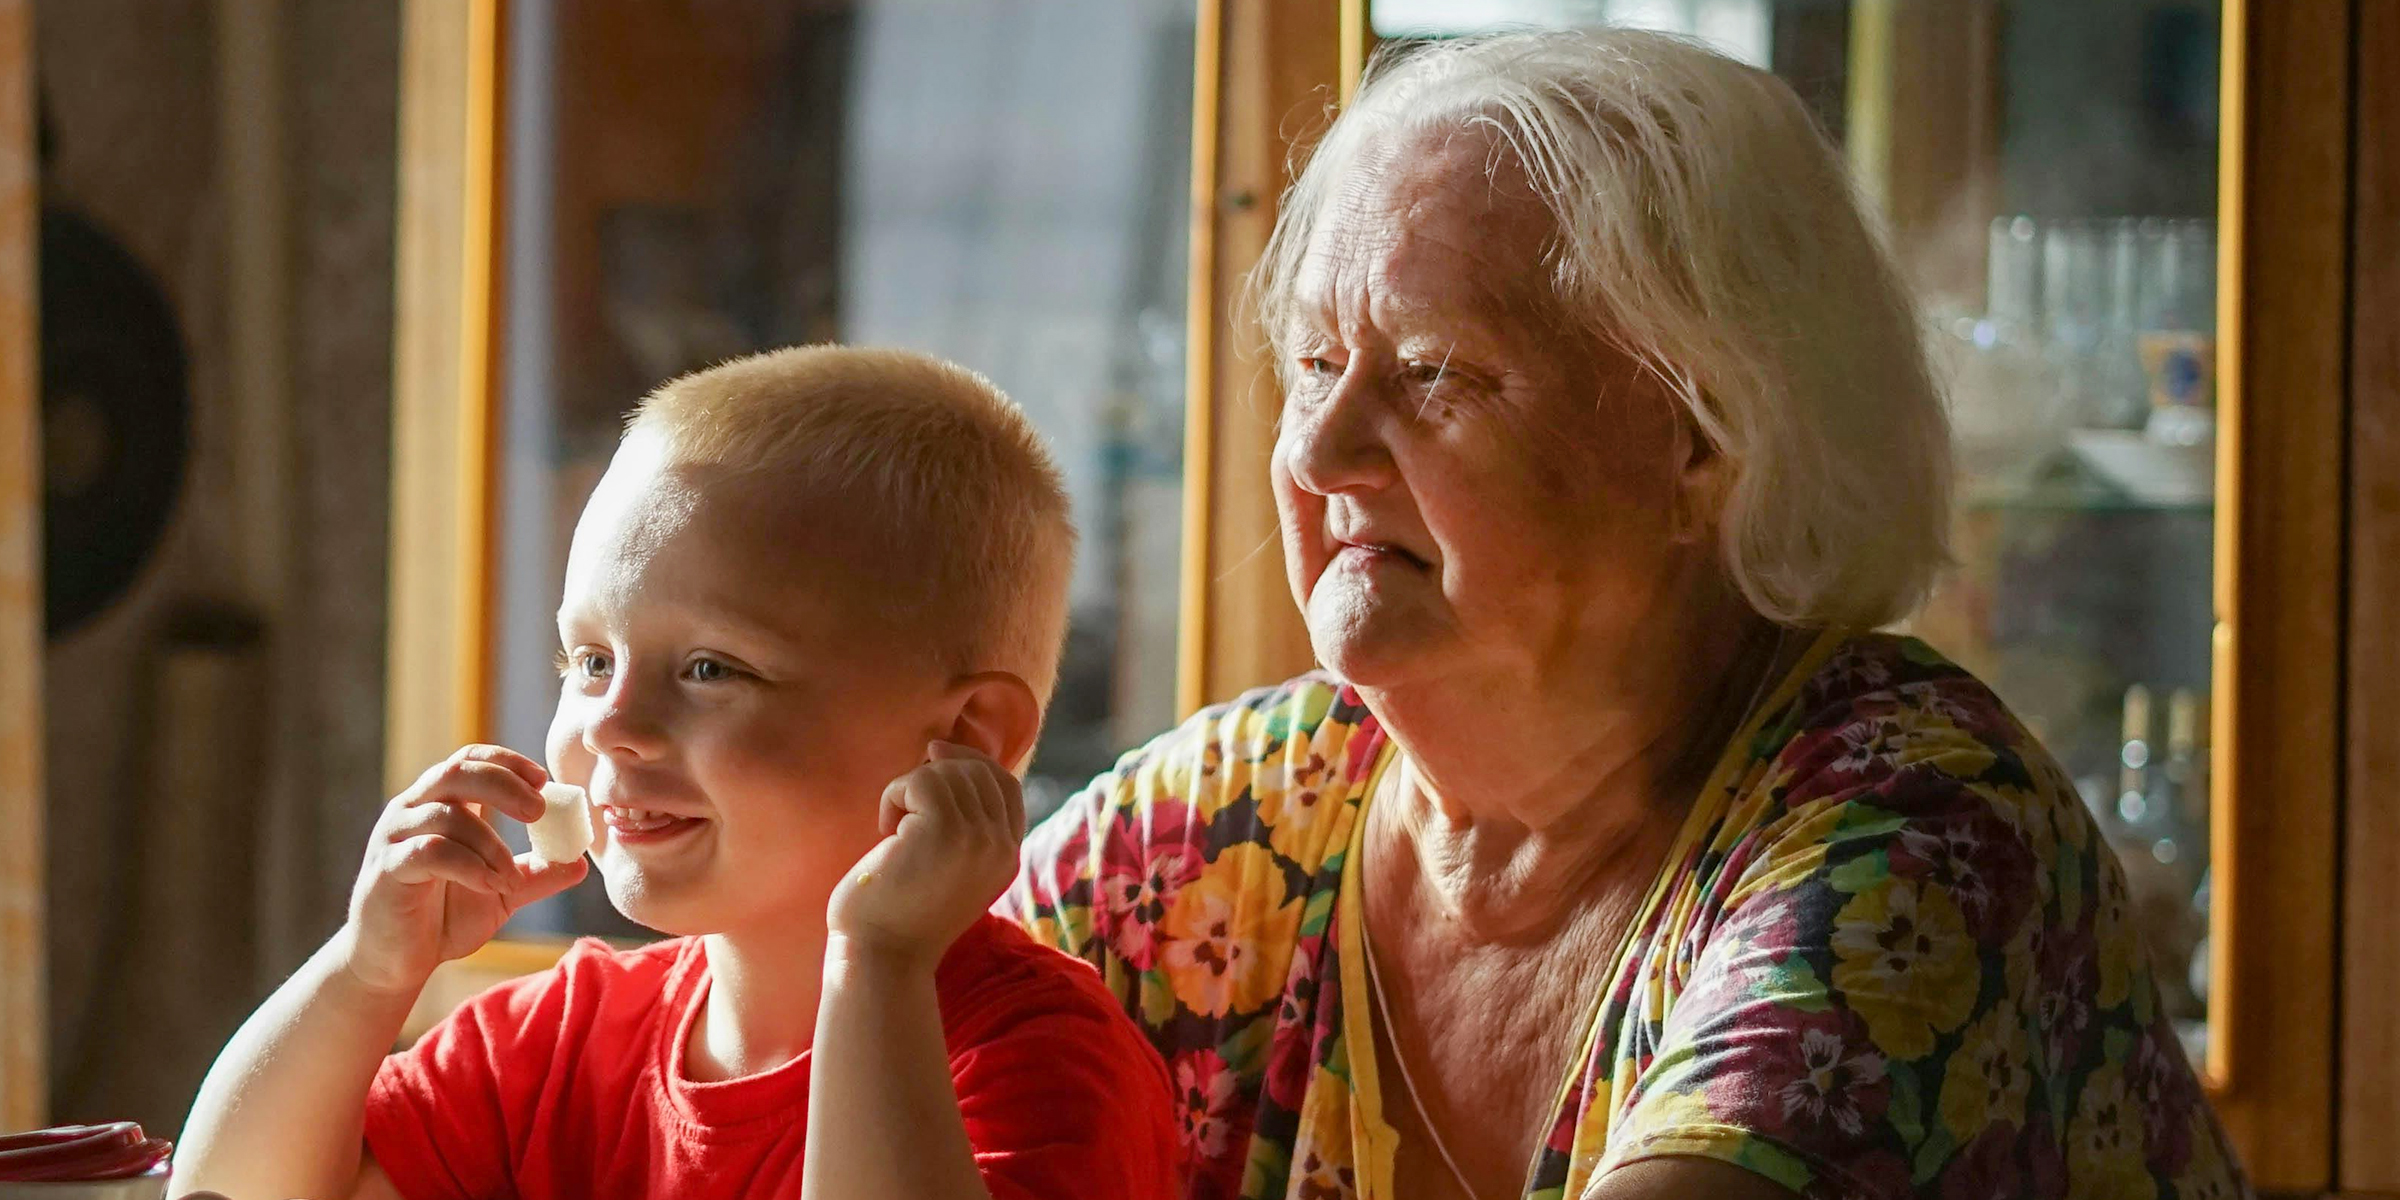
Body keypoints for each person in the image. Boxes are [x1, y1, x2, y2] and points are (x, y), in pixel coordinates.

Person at [1005, 28, 2249, 1200]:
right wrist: (873, 959)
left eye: (1437, 373)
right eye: (1319, 364)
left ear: (1703, 441)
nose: (1324, 452)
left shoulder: (1916, 827)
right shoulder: (1220, 837)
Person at [173, 347, 1181, 1200]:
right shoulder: (561, 1043)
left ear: (965, 735)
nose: (613, 727)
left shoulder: (1042, 1062)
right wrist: (367, 972)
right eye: (591, 662)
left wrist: (876, 961)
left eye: (710, 669)